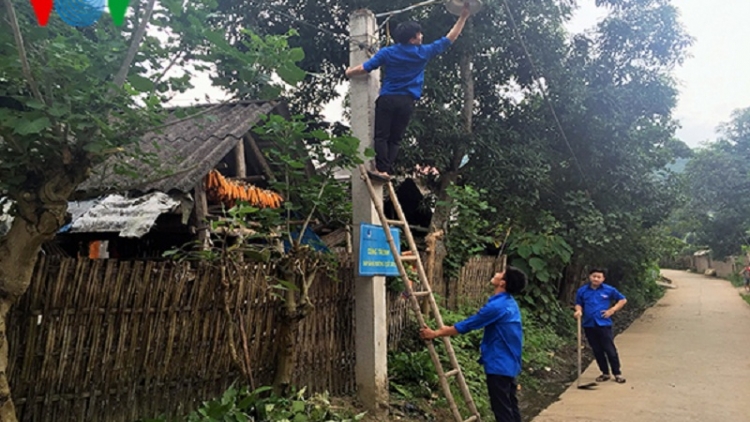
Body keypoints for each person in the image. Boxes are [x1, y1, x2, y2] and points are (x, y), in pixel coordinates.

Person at [345, 4, 472, 180]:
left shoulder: (388, 52)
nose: (421, 36)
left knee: (381, 136)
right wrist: (463, 17)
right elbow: (450, 38)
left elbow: (366, 68)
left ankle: (381, 169)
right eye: (419, 34)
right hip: (407, 102)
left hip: (388, 98)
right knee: (395, 139)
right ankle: (387, 170)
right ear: (412, 39)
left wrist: (349, 72)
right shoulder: (423, 52)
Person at [420, 267, 528, 422]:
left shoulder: (497, 307)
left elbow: (469, 325)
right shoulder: (509, 303)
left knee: (502, 410)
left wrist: (436, 333)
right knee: (510, 405)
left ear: (502, 283)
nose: (496, 273)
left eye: (501, 273)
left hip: (500, 363)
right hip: (508, 362)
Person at [574, 267, 628, 384]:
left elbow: (622, 300)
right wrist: (578, 311)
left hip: (603, 324)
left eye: (599, 277)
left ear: (603, 279)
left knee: (609, 349)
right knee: (597, 350)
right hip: (589, 324)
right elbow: (579, 304)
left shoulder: (609, 290)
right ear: (590, 277)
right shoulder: (582, 291)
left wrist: (612, 310)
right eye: (594, 276)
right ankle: (605, 373)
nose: (596, 279)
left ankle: (617, 373)